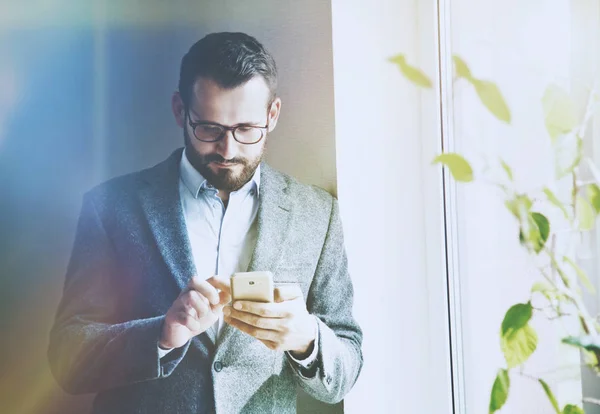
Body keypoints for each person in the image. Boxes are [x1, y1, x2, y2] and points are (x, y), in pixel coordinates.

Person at [47, 32, 363, 414]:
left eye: (247, 130)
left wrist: (306, 337)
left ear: (273, 114)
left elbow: (347, 365)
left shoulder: (318, 214)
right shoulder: (111, 207)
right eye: (209, 129)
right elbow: (68, 358)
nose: (228, 151)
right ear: (181, 110)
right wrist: (162, 336)